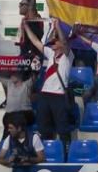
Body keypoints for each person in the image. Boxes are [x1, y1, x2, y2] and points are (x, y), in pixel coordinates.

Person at [23, 19, 75, 153]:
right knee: (43, 127)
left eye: (54, 41)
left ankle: (66, 153)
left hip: (59, 96)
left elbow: (64, 42)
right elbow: (36, 42)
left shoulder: (68, 56)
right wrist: (26, 27)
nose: (52, 43)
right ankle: (45, 153)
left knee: (62, 128)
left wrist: (57, 27)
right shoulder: (50, 54)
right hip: (45, 95)